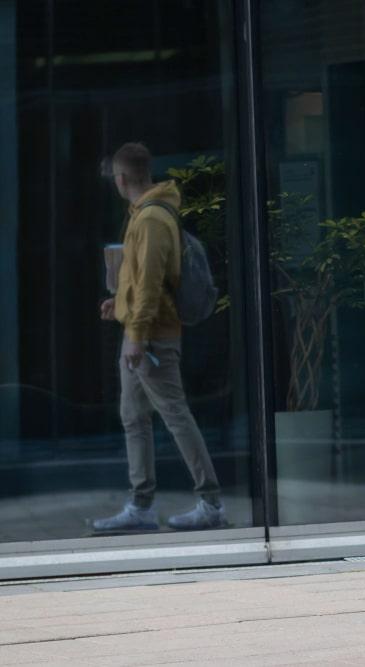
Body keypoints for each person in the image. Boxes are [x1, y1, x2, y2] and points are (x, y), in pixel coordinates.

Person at [94, 142, 226, 532]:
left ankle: (212, 502)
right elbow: (140, 282)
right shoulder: (144, 214)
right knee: (134, 418)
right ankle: (141, 506)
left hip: (152, 338)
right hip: (139, 332)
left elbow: (151, 285)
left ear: (121, 179)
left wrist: (135, 335)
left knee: (175, 415)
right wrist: (118, 303)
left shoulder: (151, 219)